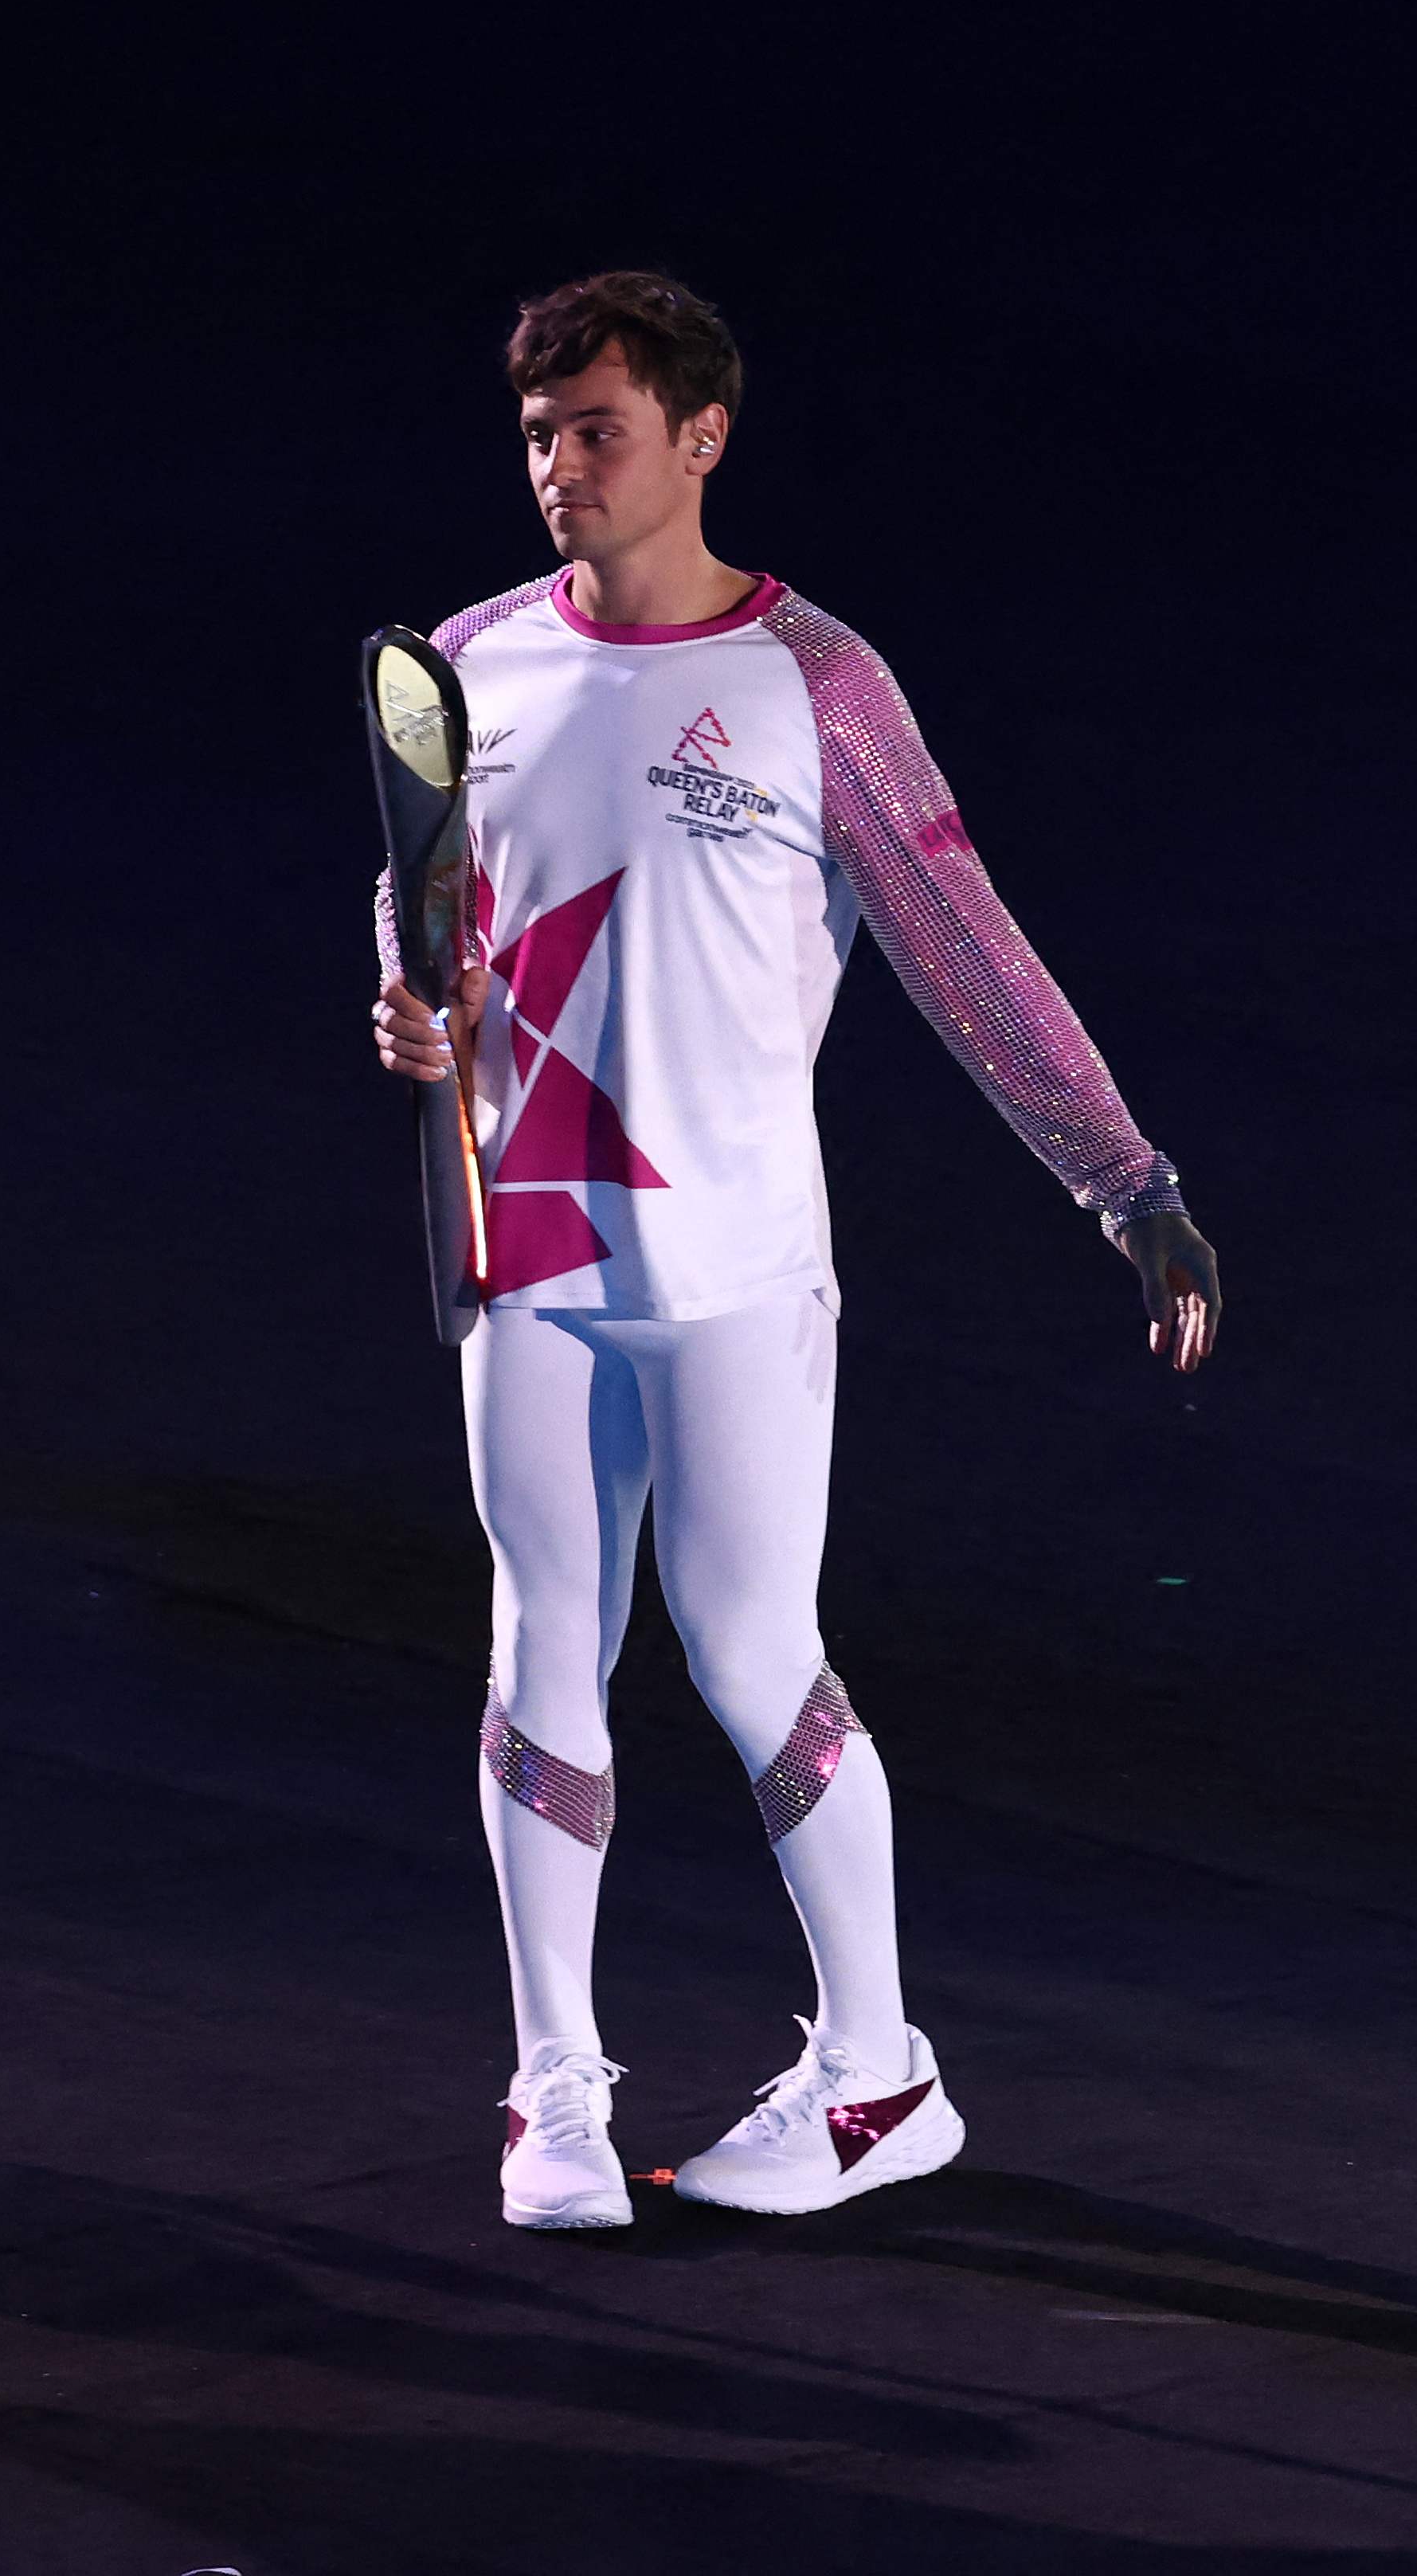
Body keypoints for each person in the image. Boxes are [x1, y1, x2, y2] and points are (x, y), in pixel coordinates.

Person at [367, 272, 1223, 2230]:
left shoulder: (814, 683)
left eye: (595, 428)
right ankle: (554, 2093)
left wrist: (1125, 1179)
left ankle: (878, 2071)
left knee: (754, 1657)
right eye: (534, 433)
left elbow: (965, 948)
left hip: (742, 1271)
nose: (557, 467)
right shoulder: (474, 662)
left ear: (701, 439)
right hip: (534, 1262)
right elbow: (422, 915)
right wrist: (415, 1015)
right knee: (539, 1660)